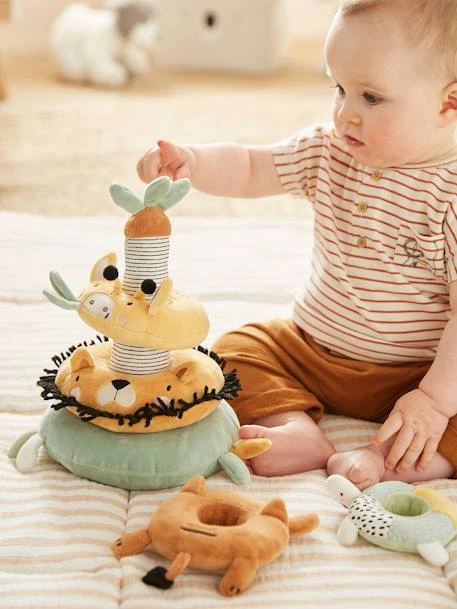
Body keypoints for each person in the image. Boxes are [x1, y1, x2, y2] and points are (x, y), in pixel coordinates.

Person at [136, 0, 457, 489]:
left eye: (371, 98)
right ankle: (296, 428)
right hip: (311, 351)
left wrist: (434, 400)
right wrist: (193, 163)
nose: (345, 114)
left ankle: (386, 460)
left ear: (449, 103)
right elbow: (252, 167)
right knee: (234, 351)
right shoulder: (327, 151)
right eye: (339, 88)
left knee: (445, 416)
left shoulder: (449, 198)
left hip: (418, 374)